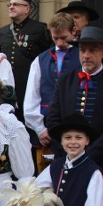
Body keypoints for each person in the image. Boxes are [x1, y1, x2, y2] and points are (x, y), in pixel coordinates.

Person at [45, 26, 103, 197]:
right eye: (83, 50)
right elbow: (53, 119)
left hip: (101, 162)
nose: (86, 55)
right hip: (65, 160)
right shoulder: (65, 79)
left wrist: (88, 155)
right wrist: (69, 150)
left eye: (93, 50)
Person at [35, 113, 103, 206]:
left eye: (78, 138)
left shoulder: (93, 172)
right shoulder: (56, 165)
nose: (73, 142)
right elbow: (34, 188)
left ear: (87, 141)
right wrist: (43, 204)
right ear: (61, 141)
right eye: (67, 138)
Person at [24, 12, 81, 149]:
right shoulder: (40, 60)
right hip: (46, 128)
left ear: (73, 31)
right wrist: (39, 129)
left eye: (64, 38)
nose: (60, 43)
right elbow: (32, 97)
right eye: (56, 38)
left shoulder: (83, 56)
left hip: (76, 126)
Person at [0, 0, 52, 117]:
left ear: (27, 9)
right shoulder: (2, 32)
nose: (11, 7)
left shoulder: (39, 29)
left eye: (16, 4)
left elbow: (48, 57)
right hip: (7, 90)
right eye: (10, 4)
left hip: (30, 87)